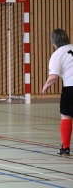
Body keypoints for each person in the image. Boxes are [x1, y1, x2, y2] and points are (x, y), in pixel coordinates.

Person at [42, 28, 73, 156]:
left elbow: (53, 76)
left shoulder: (58, 54)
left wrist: (45, 86)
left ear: (53, 43)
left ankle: (65, 148)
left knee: (66, 116)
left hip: (71, 87)